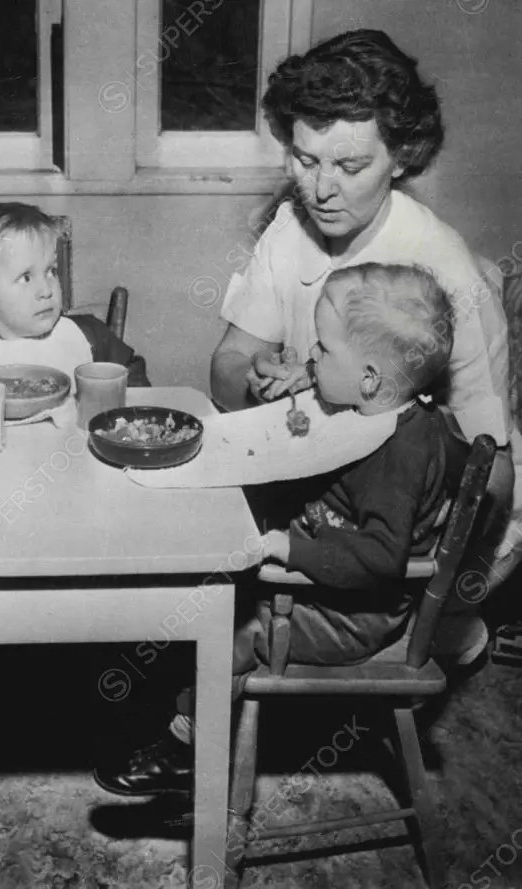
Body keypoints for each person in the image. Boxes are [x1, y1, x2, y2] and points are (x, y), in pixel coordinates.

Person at [96, 263, 469, 800]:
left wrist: (291, 547)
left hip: (356, 615)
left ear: (369, 377)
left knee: (230, 630)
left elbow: (382, 558)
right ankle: (171, 704)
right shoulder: (370, 407)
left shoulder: (400, 455)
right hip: (327, 582)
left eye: (325, 348)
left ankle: (186, 753)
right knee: (197, 591)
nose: (313, 354)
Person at [207, 28, 516, 666]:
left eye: (349, 167)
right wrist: (257, 378)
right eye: (304, 158)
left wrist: (434, 589)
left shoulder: (446, 272)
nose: (320, 189)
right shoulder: (291, 227)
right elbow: (227, 367)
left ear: (400, 157)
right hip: (317, 489)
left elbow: (493, 476)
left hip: (388, 522)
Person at [0, 202, 151, 387]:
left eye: (51, 272)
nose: (46, 290)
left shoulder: (88, 335)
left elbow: (133, 377)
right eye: (26, 278)